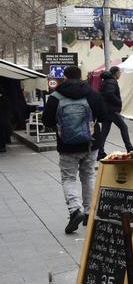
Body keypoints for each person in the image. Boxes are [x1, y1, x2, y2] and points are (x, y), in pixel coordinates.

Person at [42, 66, 107, 233]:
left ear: (64, 77)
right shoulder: (93, 94)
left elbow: (47, 121)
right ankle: (89, 212)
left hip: (67, 145)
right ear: (81, 77)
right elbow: (104, 116)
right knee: (88, 176)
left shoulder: (55, 97)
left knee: (69, 178)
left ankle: (74, 210)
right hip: (91, 143)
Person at [98, 67, 133, 158]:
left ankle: (100, 152)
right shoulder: (111, 81)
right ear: (116, 73)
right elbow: (109, 94)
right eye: (119, 72)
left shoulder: (106, 81)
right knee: (123, 127)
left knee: (104, 132)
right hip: (111, 110)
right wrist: (118, 101)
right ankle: (129, 148)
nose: (120, 74)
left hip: (106, 110)